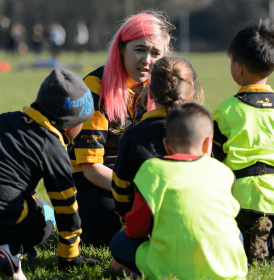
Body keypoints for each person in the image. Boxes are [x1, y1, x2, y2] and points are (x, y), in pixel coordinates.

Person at [68, 10, 175, 247]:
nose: (147, 60)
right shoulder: (94, 87)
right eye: (140, 49)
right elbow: (91, 168)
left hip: (138, 178)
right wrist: (136, 191)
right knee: (114, 224)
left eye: (155, 53)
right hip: (95, 178)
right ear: (121, 49)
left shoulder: (163, 88)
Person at [110, 103, 247, 279]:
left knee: (119, 242)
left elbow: (136, 229)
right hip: (228, 270)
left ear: (166, 145)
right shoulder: (223, 171)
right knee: (236, 234)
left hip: (170, 271)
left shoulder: (152, 170)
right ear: (208, 144)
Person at [212, 18, 274, 265]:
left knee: (237, 237)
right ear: (273, 66)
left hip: (245, 198)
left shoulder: (226, 111)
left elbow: (214, 161)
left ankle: (253, 241)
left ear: (238, 68)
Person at [0, 69, 99, 280]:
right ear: (70, 123)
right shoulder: (53, 146)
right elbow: (66, 206)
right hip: (6, 216)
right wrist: (69, 255)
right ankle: (10, 249)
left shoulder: (6, 120)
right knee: (47, 217)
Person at [112, 56, 203, 225]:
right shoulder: (201, 131)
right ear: (191, 93)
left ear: (151, 93)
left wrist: (127, 222)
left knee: (118, 243)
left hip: (148, 229)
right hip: (196, 225)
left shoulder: (133, 135)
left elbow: (120, 189)